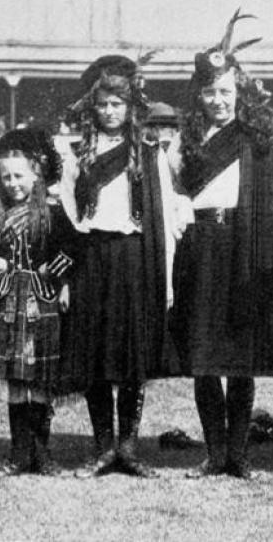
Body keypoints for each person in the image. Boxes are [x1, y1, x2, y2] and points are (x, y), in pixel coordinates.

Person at [167, 8, 273, 479]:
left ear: (240, 92)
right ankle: (213, 453)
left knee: (239, 356)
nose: (219, 100)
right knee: (203, 357)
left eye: (226, 92)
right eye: (211, 92)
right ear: (200, 95)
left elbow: (267, 200)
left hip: (243, 246)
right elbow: (174, 192)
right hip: (200, 245)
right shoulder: (187, 141)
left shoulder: (257, 138)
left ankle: (239, 454)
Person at [58, 54, 181, 478]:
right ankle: (102, 446)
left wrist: (163, 281)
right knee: (95, 355)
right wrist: (69, 274)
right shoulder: (77, 154)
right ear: (93, 108)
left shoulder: (149, 154)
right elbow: (70, 218)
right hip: (92, 258)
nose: (110, 112)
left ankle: (128, 447)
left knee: (131, 357)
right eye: (103, 105)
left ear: (131, 108)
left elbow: (163, 219)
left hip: (134, 258)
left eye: (117, 104)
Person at [0, 128, 75, 476]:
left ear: (36, 174)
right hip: (7, 302)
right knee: (16, 380)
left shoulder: (54, 213)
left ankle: (41, 454)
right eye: (5, 176)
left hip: (42, 301)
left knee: (41, 379)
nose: (13, 183)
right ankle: (18, 453)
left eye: (19, 175)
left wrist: (56, 274)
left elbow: (73, 249)